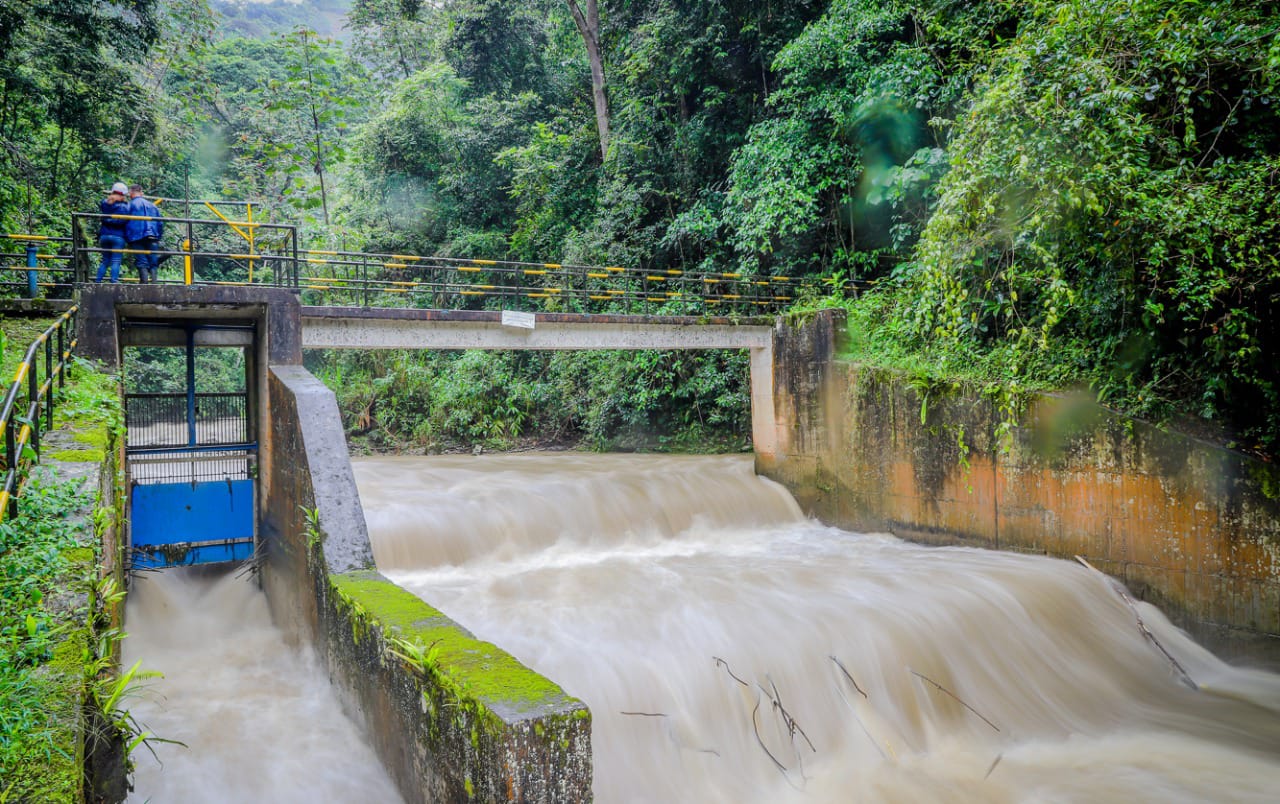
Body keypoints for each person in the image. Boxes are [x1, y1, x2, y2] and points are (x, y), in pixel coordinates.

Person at [125, 184, 164, 284]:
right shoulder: (152, 205)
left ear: (131, 193)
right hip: (152, 235)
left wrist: (127, 237)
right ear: (141, 192)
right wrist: (158, 236)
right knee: (153, 261)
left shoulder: (130, 205)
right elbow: (160, 223)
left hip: (135, 236)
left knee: (142, 260)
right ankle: (154, 284)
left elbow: (123, 221)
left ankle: (144, 285)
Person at [95, 182, 130, 283]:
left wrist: (107, 220)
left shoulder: (104, 203)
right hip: (118, 236)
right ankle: (114, 281)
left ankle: (98, 281)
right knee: (116, 260)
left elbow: (104, 213)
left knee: (105, 260)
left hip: (104, 235)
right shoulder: (124, 207)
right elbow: (124, 220)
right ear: (123, 194)